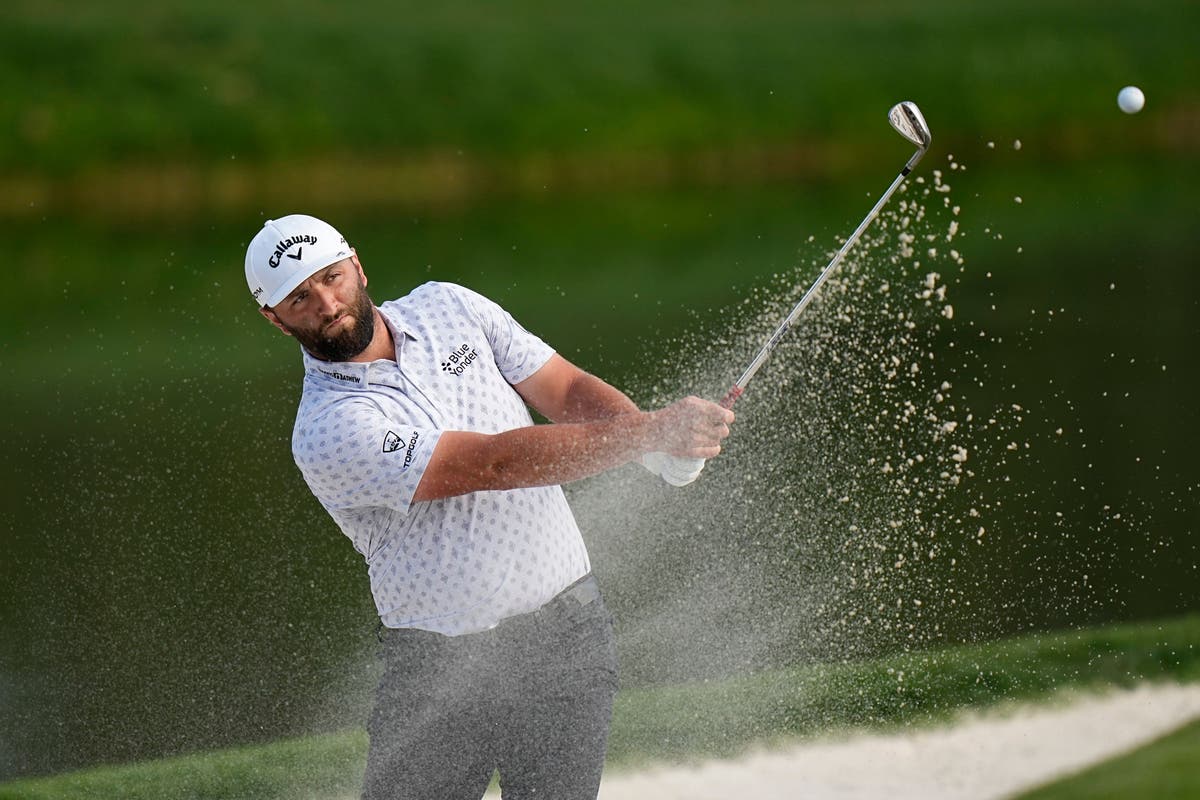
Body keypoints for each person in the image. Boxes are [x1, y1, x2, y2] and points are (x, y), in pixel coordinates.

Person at [244, 214, 734, 800]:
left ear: (358, 266)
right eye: (300, 297)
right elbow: (494, 465)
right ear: (275, 319)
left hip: (566, 638)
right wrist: (648, 435)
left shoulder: (450, 307)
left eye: (332, 277)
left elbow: (565, 389)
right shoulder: (327, 430)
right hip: (437, 672)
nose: (327, 303)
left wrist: (651, 444)